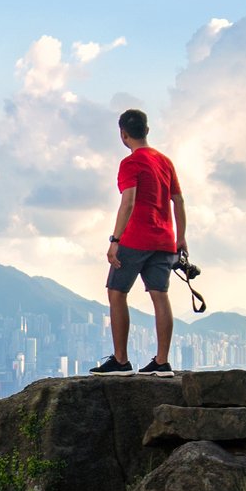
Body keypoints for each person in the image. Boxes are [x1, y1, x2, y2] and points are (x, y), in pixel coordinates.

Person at [91, 107, 187, 375]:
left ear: (123, 135)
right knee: (160, 296)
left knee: (116, 293)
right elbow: (178, 201)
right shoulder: (165, 162)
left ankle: (121, 361)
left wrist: (115, 240)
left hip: (135, 240)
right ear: (146, 130)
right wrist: (181, 238)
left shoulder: (130, 163)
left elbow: (128, 202)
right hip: (165, 241)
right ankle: (162, 361)